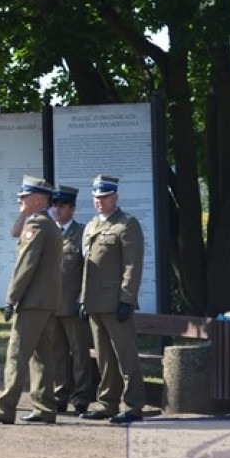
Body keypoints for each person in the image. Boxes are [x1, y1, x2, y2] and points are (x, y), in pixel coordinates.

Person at [0, 176, 62, 425]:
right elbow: (16, 232)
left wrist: (11, 299)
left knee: (17, 353)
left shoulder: (37, 225)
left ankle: (4, 408)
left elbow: (26, 266)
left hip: (33, 301)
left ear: (37, 199)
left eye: (24, 197)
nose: (19, 200)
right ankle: (44, 407)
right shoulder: (43, 222)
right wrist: (25, 212)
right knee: (42, 356)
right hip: (46, 301)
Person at [78, 175, 147, 424]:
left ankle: (134, 405)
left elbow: (133, 264)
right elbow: (87, 267)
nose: (100, 202)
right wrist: (84, 300)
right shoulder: (91, 226)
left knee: (125, 355)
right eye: (96, 198)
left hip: (115, 302)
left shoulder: (127, 224)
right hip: (95, 302)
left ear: (115, 197)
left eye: (105, 197)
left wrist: (127, 299)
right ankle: (107, 402)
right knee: (104, 357)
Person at [47, 186, 98, 415]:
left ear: (72, 208)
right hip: (52, 305)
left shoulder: (82, 233)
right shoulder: (49, 232)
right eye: (54, 205)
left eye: (61, 205)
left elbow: (88, 269)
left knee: (79, 353)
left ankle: (81, 397)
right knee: (57, 353)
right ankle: (60, 394)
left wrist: (84, 299)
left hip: (73, 303)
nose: (56, 209)